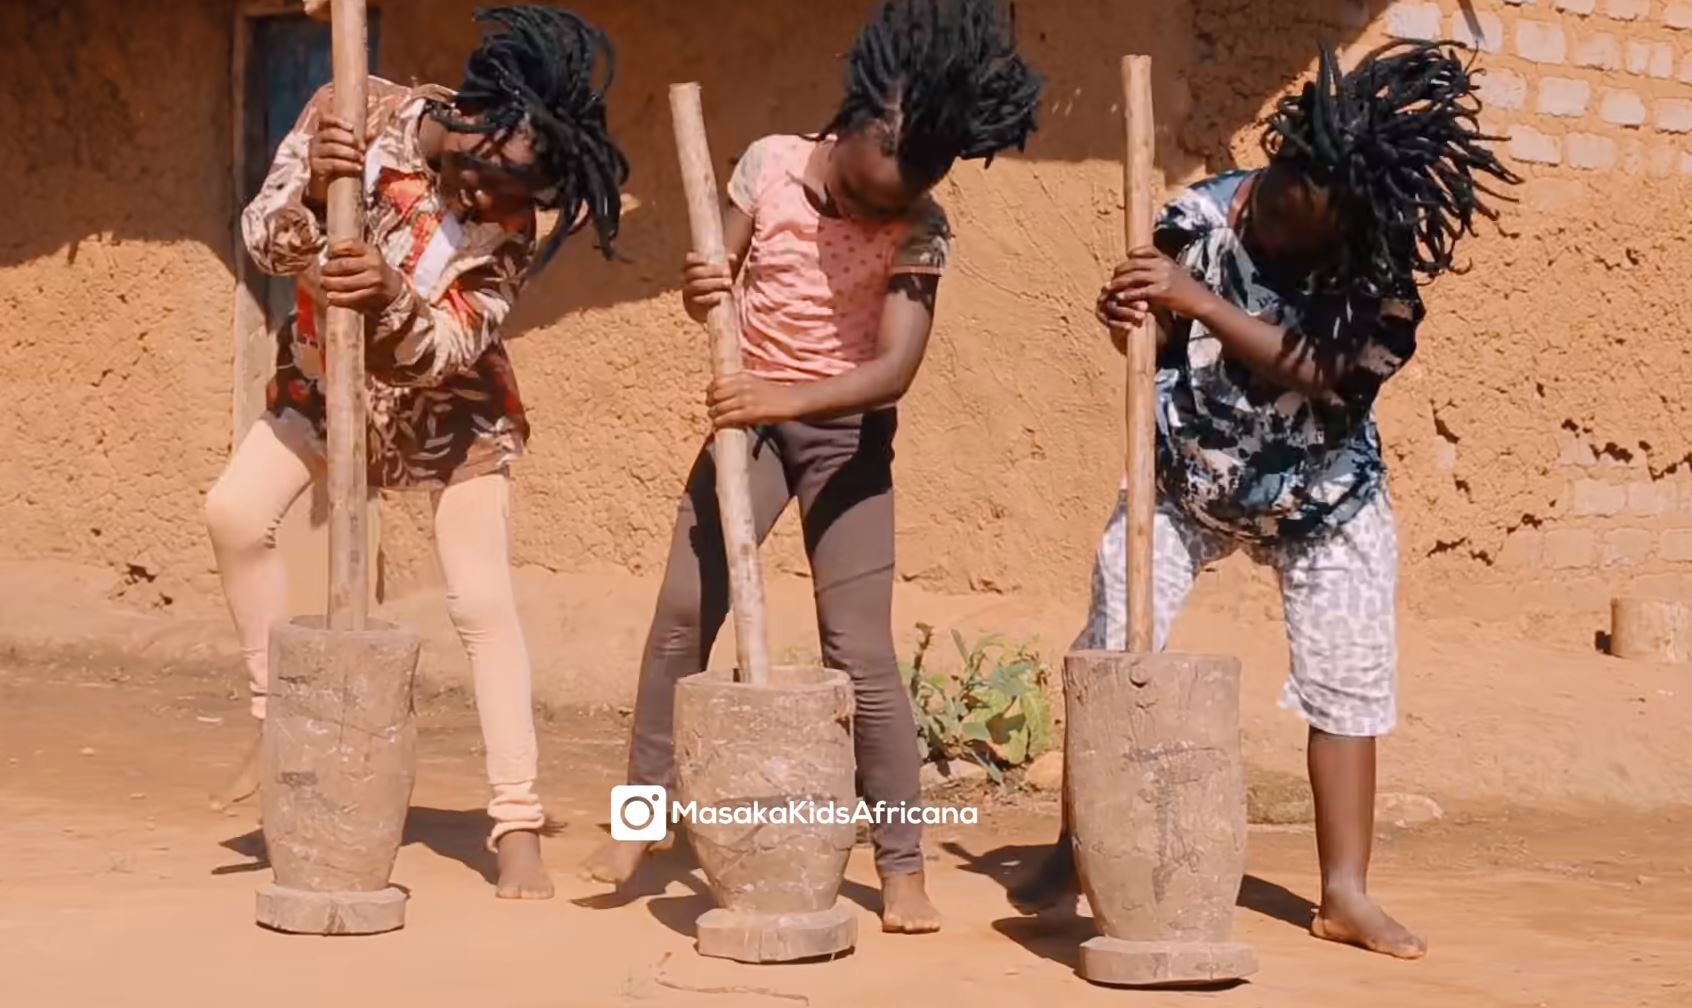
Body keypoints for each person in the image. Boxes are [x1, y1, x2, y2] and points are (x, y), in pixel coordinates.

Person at [1008, 41, 1519, 958]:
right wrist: (1131, 317)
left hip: (1325, 499)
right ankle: (1076, 845)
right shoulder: (1195, 219)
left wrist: (1200, 303)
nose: (1275, 220)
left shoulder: (1380, 272)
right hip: (1186, 478)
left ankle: (1344, 893)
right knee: (1113, 642)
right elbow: (1158, 345)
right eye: (1278, 194)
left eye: (1302, 221)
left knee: (1349, 680)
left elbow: (1329, 377)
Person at [579, 0, 1043, 934]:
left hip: (845, 439)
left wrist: (783, 399)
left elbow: (894, 371)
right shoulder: (769, 166)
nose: (875, 216)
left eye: (891, 207)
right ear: (851, 127)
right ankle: (643, 816)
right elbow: (716, 283)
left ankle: (902, 866)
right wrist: (702, 287)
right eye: (864, 198)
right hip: (747, 430)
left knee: (860, 652)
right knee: (681, 616)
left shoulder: (924, 224)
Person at [205, 6, 629, 900]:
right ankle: (277, 720)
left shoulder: (512, 222)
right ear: (477, 122)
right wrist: (313, 192)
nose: (491, 209)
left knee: (480, 600)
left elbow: (446, 348)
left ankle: (516, 823)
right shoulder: (348, 107)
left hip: (453, 411)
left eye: (520, 202)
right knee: (235, 514)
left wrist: (392, 296)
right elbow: (262, 240)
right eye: (488, 182)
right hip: (328, 379)